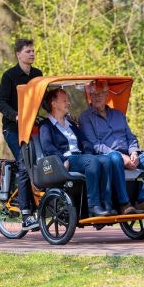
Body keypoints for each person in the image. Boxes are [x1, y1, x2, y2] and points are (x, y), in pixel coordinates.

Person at [78, 81, 144, 213]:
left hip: (129, 155)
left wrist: (134, 153)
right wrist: (121, 156)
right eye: (93, 94)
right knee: (115, 157)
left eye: (100, 94)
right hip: (108, 157)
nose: (96, 97)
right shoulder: (85, 117)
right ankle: (124, 203)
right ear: (89, 95)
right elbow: (95, 144)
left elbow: (131, 137)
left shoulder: (118, 114)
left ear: (107, 95)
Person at [39, 88, 114, 217]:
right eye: (64, 101)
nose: (68, 103)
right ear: (54, 103)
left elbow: (85, 142)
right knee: (92, 161)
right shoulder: (45, 125)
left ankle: (107, 204)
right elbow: (47, 147)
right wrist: (62, 160)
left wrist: (89, 153)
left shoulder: (71, 124)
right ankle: (93, 206)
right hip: (67, 160)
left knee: (106, 160)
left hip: (82, 158)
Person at [0, 38, 42, 231]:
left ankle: (42, 203)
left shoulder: (37, 74)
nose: (32, 54)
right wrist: (15, 116)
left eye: (33, 51)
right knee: (24, 164)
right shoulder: (9, 76)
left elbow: (43, 100)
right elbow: (0, 102)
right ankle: (25, 214)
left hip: (32, 127)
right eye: (28, 51)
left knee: (43, 161)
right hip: (13, 129)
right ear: (18, 54)